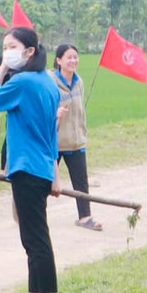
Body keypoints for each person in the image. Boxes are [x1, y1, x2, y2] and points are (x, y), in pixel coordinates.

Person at [0, 26, 62, 293]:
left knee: (36, 237)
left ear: (30, 51)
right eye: (4, 48)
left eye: (12, 47)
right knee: (30, 237)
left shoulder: (25, 82)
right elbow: (52, 133)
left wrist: (2, 69)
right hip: (39, 166)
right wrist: (55, 172)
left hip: (27, 166)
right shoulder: (48, 81)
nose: (7, 52)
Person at [50, 44, 98, 231]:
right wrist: (56, 114)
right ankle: (31, 215)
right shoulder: (51, 82)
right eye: (68, 57)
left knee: (81, 181)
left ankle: (85, 217)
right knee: (45, 181)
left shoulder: (79, 82)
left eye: (75, 57)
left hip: (76, 141)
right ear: (59, 60)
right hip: (56, 141)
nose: (73, 61)